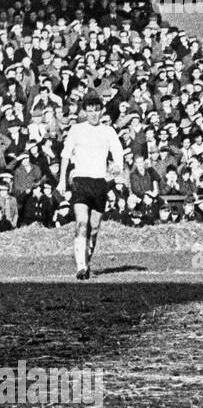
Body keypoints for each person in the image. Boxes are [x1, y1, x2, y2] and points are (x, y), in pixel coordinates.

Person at [57, 92, 125, 279]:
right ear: (85, 111)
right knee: (81, 223)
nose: (93, 115)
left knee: (94, 228)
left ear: (102, 111)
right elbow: (65, 155)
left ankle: (87, 261)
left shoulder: (108, 131)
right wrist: (62, 179)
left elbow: (118, 151)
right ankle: (80, 267)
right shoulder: (77, 130)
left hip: (100, 182)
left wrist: (117, 165)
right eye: (89, 111)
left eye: (96, 111)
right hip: (80, 181)